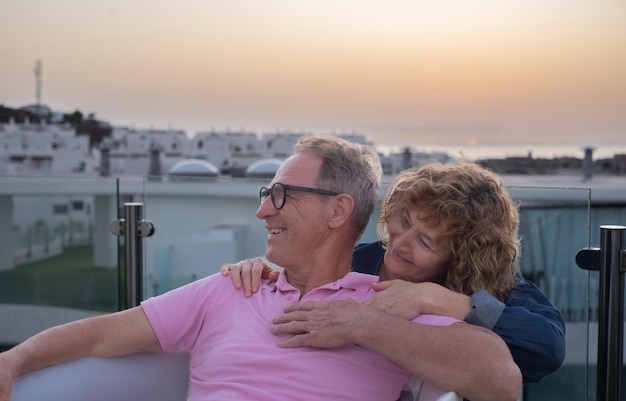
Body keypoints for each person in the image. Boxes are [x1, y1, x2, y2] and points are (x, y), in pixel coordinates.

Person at [0, 136, 522, 401]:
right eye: (265, 194)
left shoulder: (386, 306)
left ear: (338, 211)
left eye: (281, 195)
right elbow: (98, 336)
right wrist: (13, 361)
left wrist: (360, 324)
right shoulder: (230, 288)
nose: (262, 210)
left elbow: (500, 380)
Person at [222, 161, 565, 395]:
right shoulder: (354, 260)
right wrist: (255, 274)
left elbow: (546, 348)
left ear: (460, 258)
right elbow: (289, 298)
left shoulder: (486, 283)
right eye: (404, 222)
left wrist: (441, 300)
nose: (399, 242)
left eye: (425, 241)